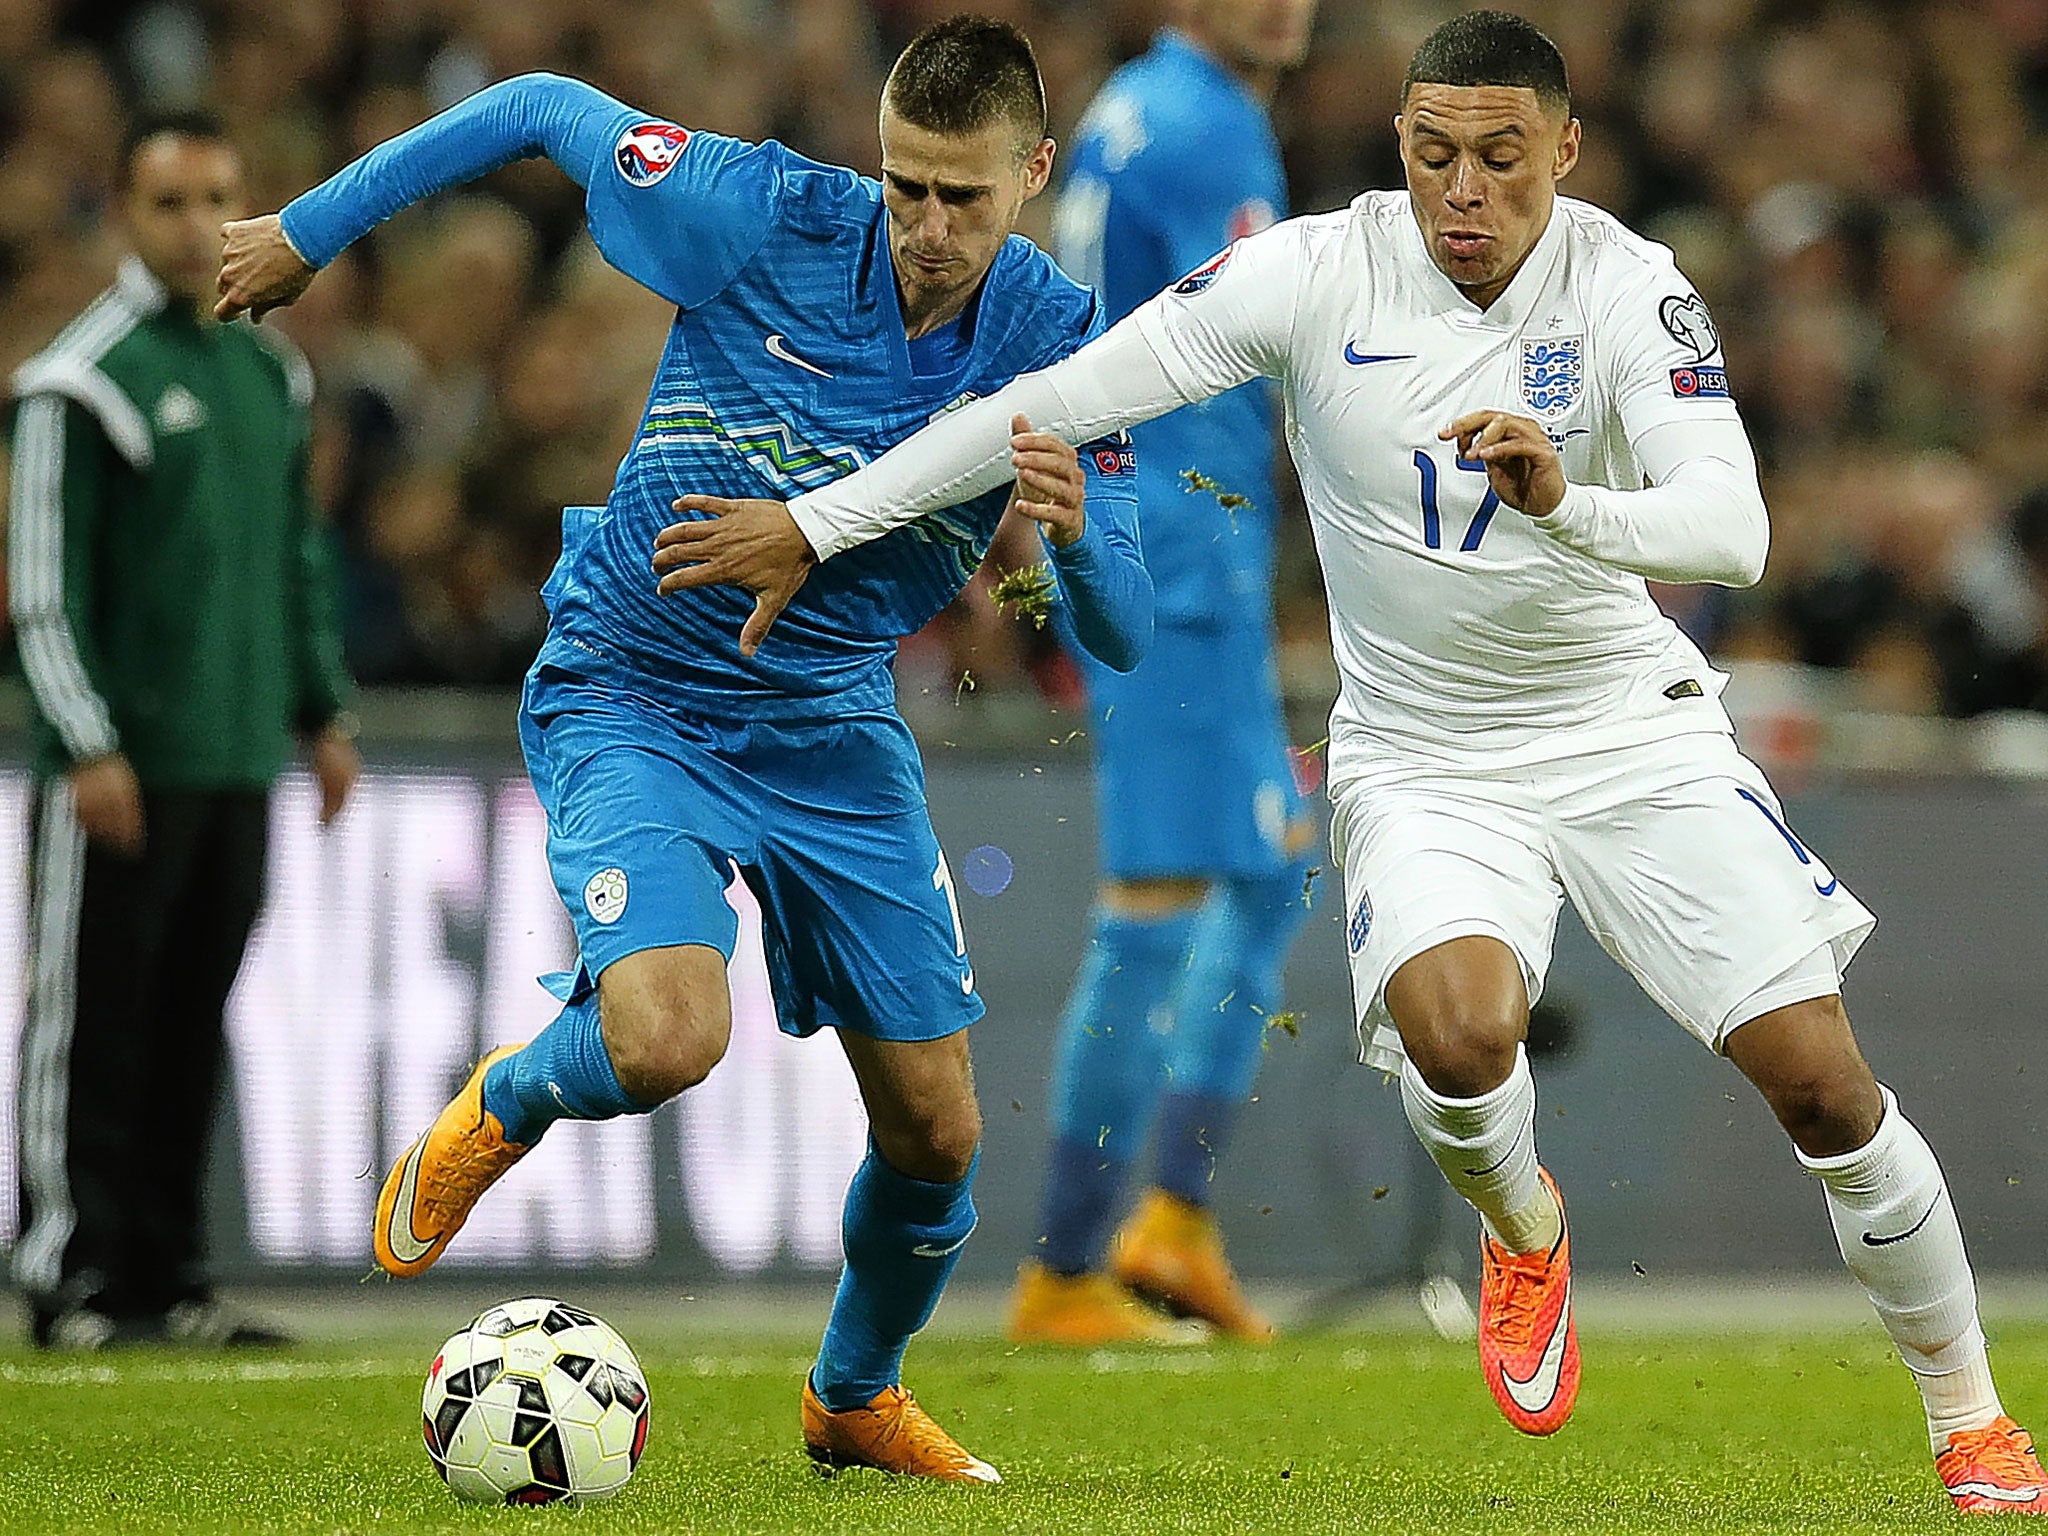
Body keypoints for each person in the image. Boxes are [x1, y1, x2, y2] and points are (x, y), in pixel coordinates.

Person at [652, 11, 2048, 1515]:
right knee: (1460, 1039)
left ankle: (1969, 1417)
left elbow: (1736, 527)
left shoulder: (1632, 287)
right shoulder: (1314, 275)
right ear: (1401, 147)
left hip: (1627, 728)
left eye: (1503, 159)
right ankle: (1526, 1229)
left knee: (1824, 1089)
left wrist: (1569, 502)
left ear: (1563, 155)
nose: (1466, 189)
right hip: (1426, 757)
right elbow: (1043, 404)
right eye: (1436, 153)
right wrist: (818, 520)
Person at [216, 18, 1151, 1484]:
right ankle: (508, 1100)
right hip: (637, 688)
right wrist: (309, 229)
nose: (925, 227)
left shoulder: (1068, 340)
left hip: (833, 722)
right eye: (905, 185)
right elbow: (530, 98)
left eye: (962, 197)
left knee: (937, 1135)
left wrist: (1071, 548)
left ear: (1032, 172)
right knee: (663, 1039)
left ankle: (852, 1399)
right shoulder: (757, 208)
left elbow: (1129, 628)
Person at [9, 111, 360, 1351]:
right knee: (91, 1023)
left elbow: (293, 562)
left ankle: (166, 1273)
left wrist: (322, 712)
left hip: (234, 756)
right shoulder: (75, 378)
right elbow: (40, 590)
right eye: (169, 200)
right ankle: (68, 1275)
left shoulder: (272, 370)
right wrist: (88, 742)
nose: (200, 220)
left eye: (221, 193)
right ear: (124, 215)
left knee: (192, 1018)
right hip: (120, 769)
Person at [1009, 0, 1317, 1349]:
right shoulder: (1201, 128)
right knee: (1161, 887)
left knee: (1270, 861)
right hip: (1179, 537)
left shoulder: (1144, 101)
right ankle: (1064, 1267)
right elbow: (1253, 332)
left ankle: (1169, 1222)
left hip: (1188, 526)